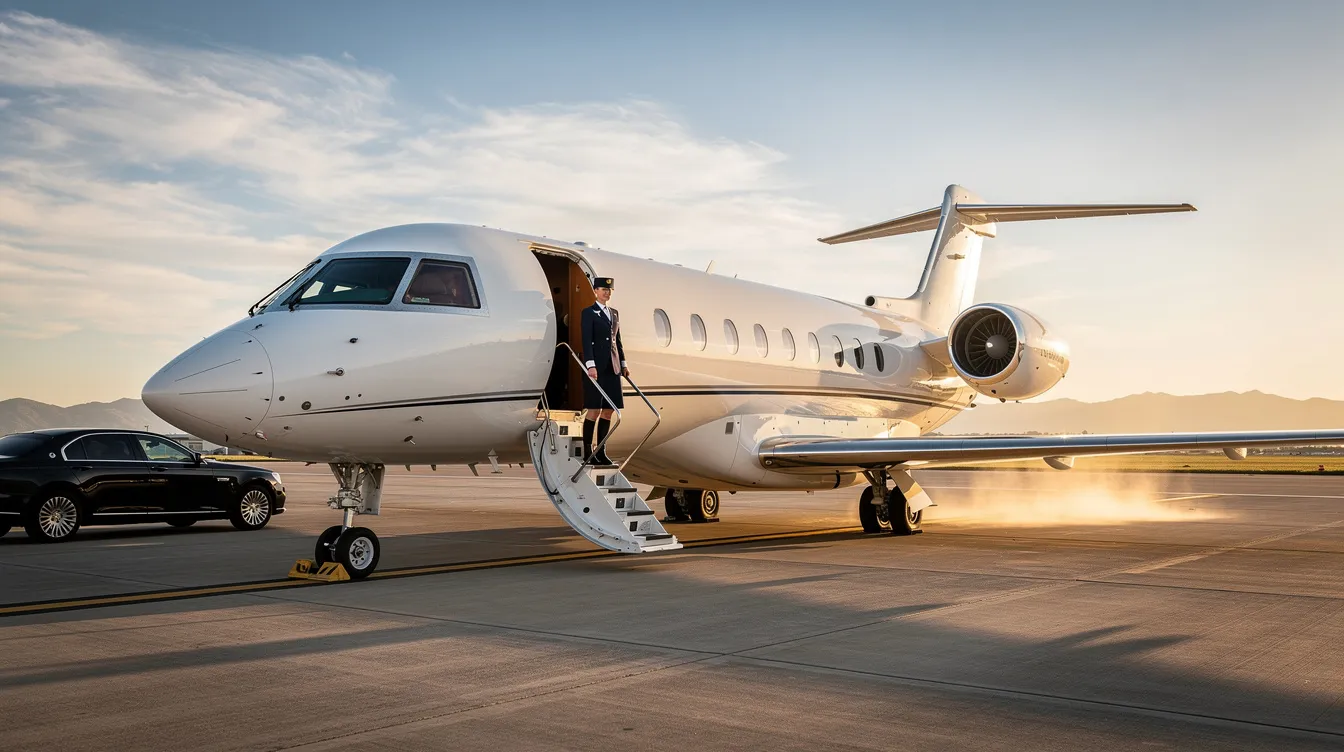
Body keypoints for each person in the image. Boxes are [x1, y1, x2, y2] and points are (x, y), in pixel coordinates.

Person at [580, 276, 629, 465]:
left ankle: (601, 451)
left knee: (608, 410)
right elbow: (586, 340)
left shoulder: (614, 313)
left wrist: (623, 364)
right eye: (603, 289)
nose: (606, 292)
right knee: (594, 409)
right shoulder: (589, 313)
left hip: (613, 367)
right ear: (595, 291)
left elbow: (618, 341)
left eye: (609, 290)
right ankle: (587, 451)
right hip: (597, 368)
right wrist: (590, 365)